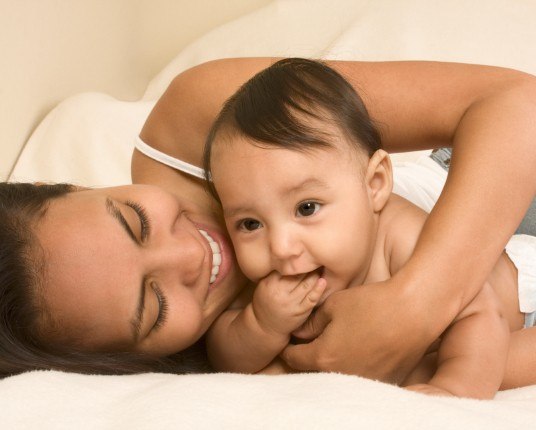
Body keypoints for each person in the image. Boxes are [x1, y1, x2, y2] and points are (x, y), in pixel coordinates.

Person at [0, 58, 535, 387]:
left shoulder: (198, 122)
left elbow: (518, 103)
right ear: (134, 358)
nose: (193, 255)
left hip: (492, 180)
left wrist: (413, 308)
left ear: (82, 187)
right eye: (156, 306)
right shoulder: (242, 359)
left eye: (135, 221)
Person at [201, 58, 535, 398]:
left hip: (520, 303)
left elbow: (480, 314)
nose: (282, 247)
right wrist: (260, 323)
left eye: (306, 208)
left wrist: (452, 388)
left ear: (374, 184)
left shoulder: (398, 234)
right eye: (250, 223)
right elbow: (224, 354)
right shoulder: (269, 282)